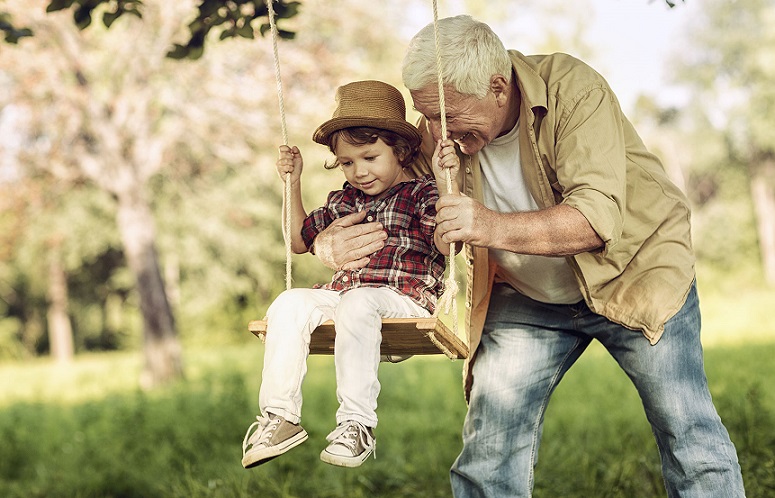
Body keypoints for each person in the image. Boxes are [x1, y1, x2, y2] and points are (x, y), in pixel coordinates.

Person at [311, 15, 746, 498]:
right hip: (526, 294)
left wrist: (487, 225)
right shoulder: (439, 127)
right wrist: (324, 240)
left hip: (634, 274)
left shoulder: (573, 91)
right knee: (490, 451)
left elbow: (595, 217)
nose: (436, 132)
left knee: (688, 433)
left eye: (448, 116)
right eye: (427, 116)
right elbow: (380, 191)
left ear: (498, 87)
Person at [241, 80, 460, 469]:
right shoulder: (343, 200)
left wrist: (447, 184)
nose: (358, 171)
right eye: (346, 162)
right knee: (289, 302)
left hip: (404, 297)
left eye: (370, 157)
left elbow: (449, 245)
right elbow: (297, 239)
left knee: (359, 302)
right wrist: (293, 183)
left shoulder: (421, 194)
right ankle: (280, 417)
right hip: (346, 297)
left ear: (402, 151)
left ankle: (357, 423)